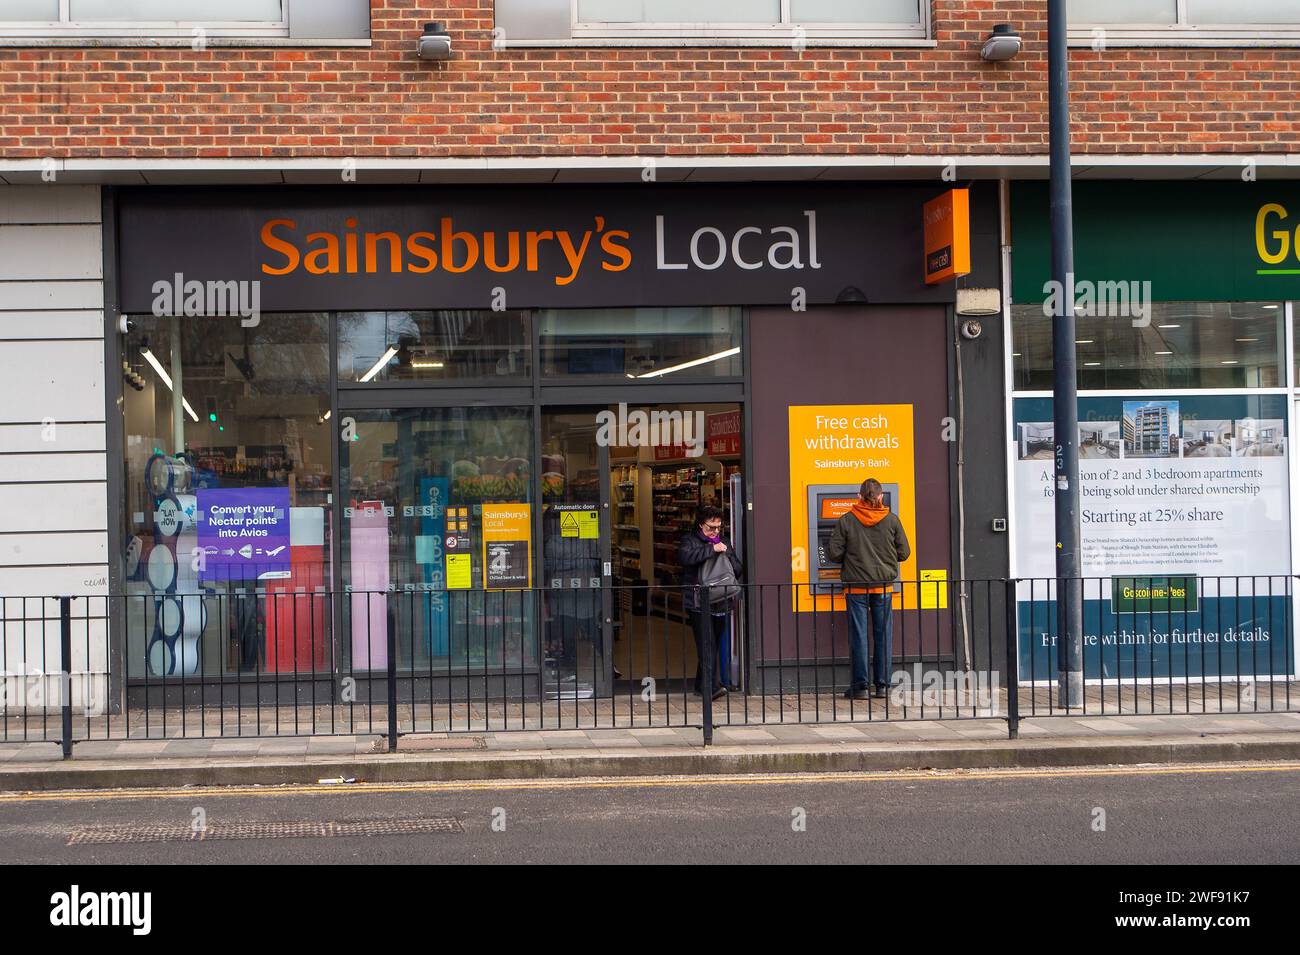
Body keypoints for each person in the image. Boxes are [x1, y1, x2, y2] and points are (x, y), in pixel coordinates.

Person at [828, 478, 911, 700]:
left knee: (859, 636)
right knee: (883, 635)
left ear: (858, 497)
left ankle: (860, 687)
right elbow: (904, 553)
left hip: (856, 589)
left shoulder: (846, 520)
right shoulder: (892, 520)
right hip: (883, 587)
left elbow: (834, 554)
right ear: (881, 496)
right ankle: (883, 686)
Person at [678, 504, 742, 701]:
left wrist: (727, 555)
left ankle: (700, 685)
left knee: (711, 644)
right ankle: (710, 688)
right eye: (710, 527)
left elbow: (737, 569)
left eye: (718, 528)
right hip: (698, 601)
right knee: (707, 645)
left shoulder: (724, 541)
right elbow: (685, 557)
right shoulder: (690, 540)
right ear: (700, 525)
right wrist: (711, 549)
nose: (715, 531)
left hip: (721, 601)